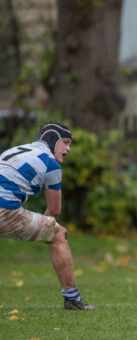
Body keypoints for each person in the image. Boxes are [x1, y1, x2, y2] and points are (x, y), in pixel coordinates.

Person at [0, 122, 94, 311]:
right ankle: (72, 299)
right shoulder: (51, 164)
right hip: (4, 210)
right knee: (59, 234)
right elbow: (54, 212)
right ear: (53, 139)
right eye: (66, 142)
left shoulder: (17, 149)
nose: (68, 148)